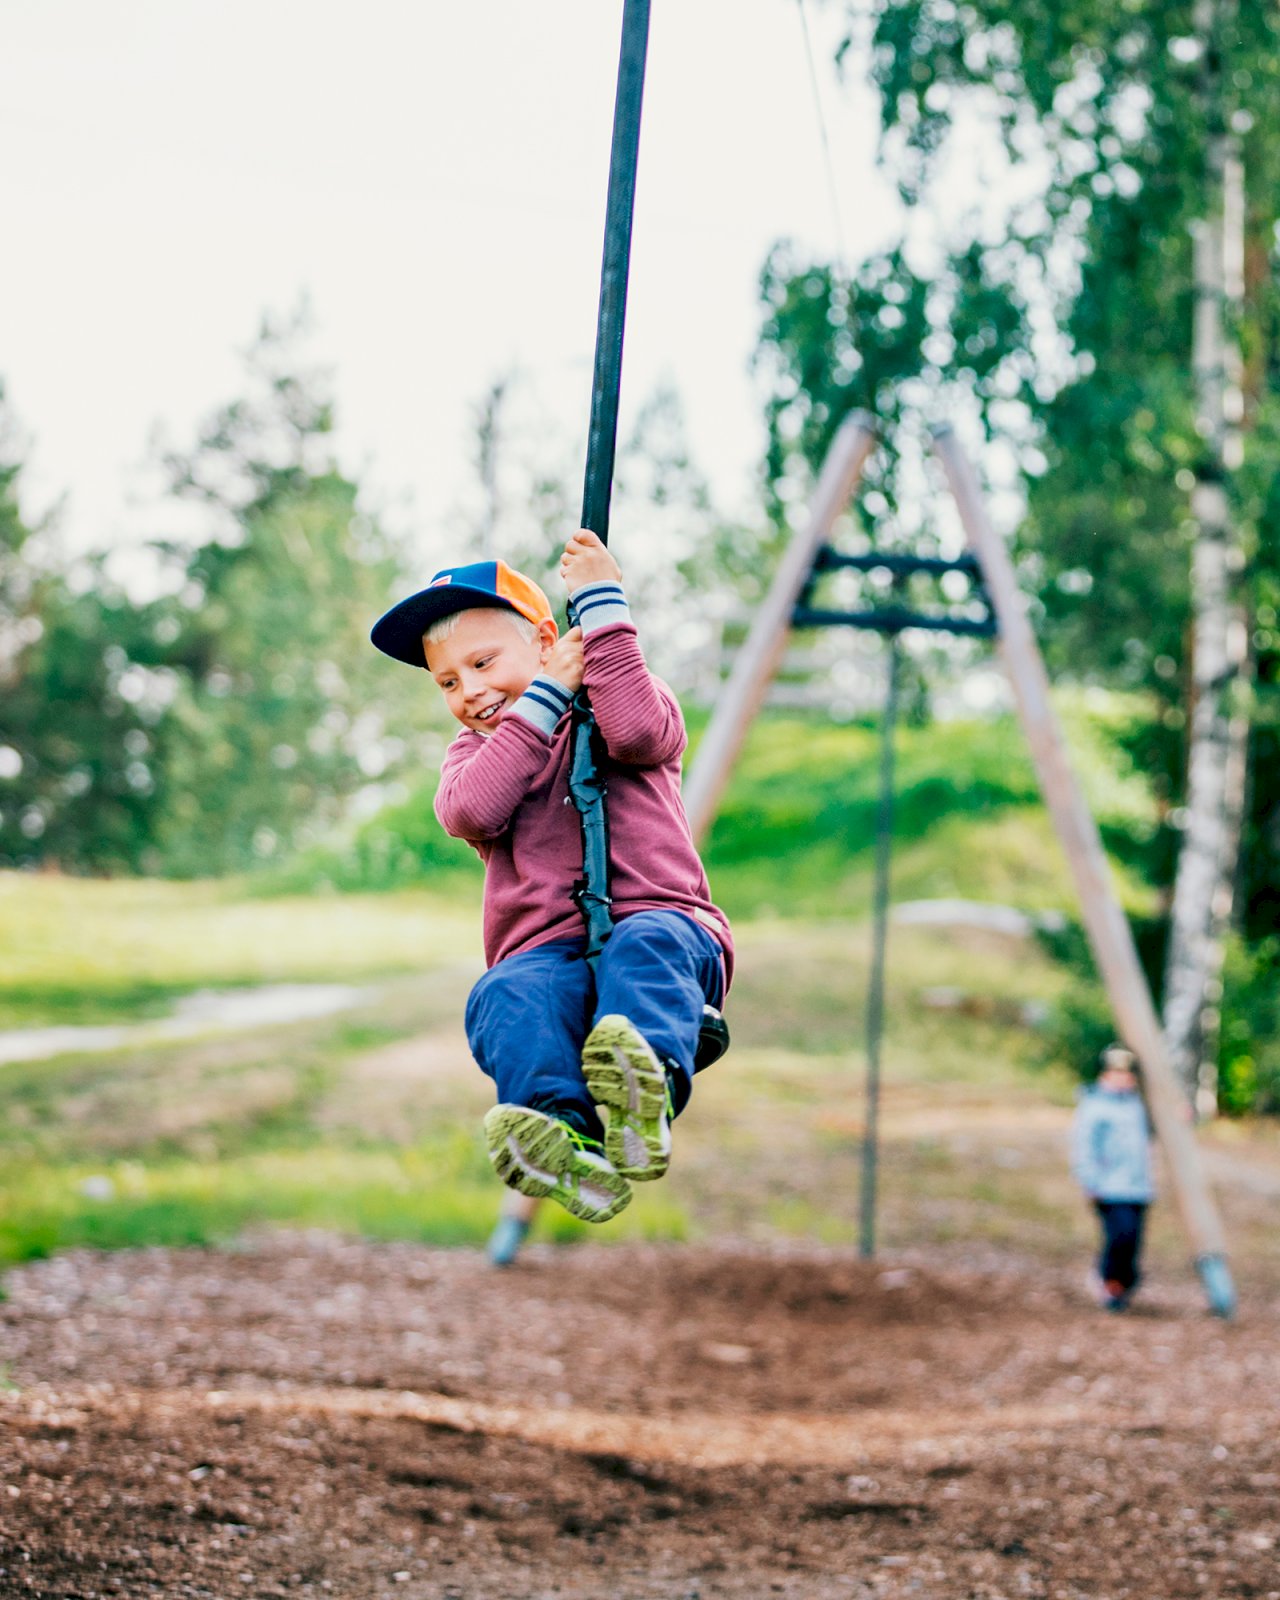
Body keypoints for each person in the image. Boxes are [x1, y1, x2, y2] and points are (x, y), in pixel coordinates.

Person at [370, 529, 732, 1226]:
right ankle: (562, 1136)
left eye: (482, 662)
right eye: (448, 681)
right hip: (546, 958)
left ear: (545, 640)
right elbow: (473, 808)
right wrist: (540, 701)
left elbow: (636, 736)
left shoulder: (617, 700)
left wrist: (602, 609)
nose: (470, 691)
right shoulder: (475, 756)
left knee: (644, 946)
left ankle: (643, 1090)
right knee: (505, 995)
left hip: (661, 927)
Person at [1070, 1043, 1154, 1311]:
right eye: (1117, 1073)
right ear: (1105, 1074)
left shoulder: (1137, 1104)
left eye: (1128, 1074)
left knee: (1133, 1241)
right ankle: (1109, 1284)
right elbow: (1084, 1146)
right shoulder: (1094, 1106)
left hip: (1138, 1187)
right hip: (1109, 1185)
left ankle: (1124, 1283)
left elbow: (1157, 1129)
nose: (1123, 1079)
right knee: (1121, 1236)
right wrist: (1090, 1180)